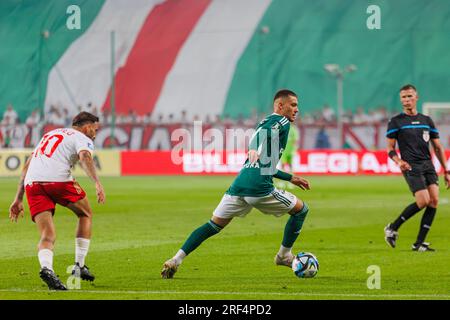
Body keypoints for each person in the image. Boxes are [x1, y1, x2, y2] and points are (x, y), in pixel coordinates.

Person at [161, 89, 311, 279]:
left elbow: (267, 166)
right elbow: (260, 136)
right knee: (301, 210)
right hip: (259, 188)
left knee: (213, 225)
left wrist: (291, 178)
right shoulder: (281, 121)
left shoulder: (267, 120)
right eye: (293, 105)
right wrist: (253, 148)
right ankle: (284, 256)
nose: (297, 109)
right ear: (280, 106)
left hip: (240, 184)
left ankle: (175, 260)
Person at [9, 112, 106, 290]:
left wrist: (18, 198)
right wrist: (97, 182)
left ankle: (47, 269)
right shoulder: (81, 138)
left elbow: (28, 165)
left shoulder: (50, 134)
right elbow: (85, 157)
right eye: (95, 129)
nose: (95, 133)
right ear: (86, 126)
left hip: (33, 184)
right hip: (58, 180)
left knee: (48, 235)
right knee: (85, 213)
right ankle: (79, 266)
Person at [384, 84, 450, 252]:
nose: (406, 100)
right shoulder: (396, 121)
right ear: (401, 100)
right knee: (423, 201)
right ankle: (392, 227)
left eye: (409, 96)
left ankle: (419, 243)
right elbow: (390, 148)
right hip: (410, 165)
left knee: (434, 200)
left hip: (428, 165)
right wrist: (398, 161)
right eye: (403, 97)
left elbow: (437, 147)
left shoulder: (427, 120)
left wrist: (446, 170)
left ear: (416, 98)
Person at [275, 117, 300, 189]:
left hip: (290, 151)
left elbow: (296, 141)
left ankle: (292, 182)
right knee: (282, 165)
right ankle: (281, 182)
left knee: (290, 166)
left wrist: (294, 150)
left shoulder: (294, 129)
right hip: (283, 150)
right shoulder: (283, 128)